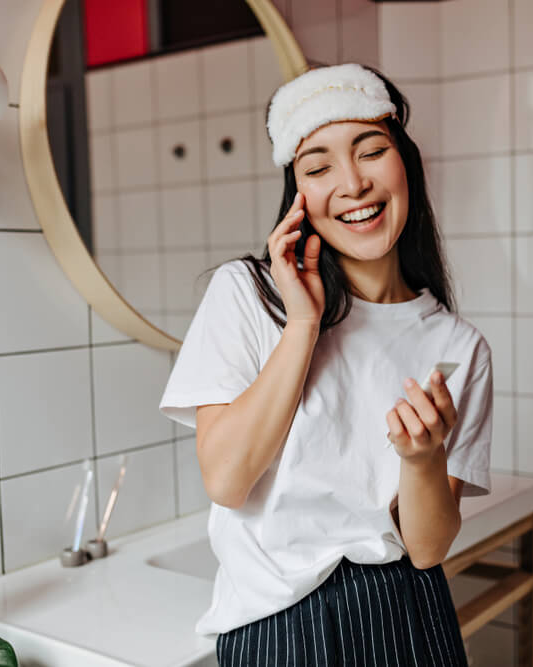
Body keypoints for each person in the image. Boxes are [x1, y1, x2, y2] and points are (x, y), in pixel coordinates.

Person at [159, 62, 493, 666]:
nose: (353, 183)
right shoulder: (248, 295)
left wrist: (422, 459)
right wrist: (304, 323)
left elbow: (427, 548)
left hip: (410, 615)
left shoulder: (457, 345)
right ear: (299, 194)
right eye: (318, 166)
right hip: (274, 628)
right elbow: (228, 480)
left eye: (371, 152)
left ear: (405, 164)